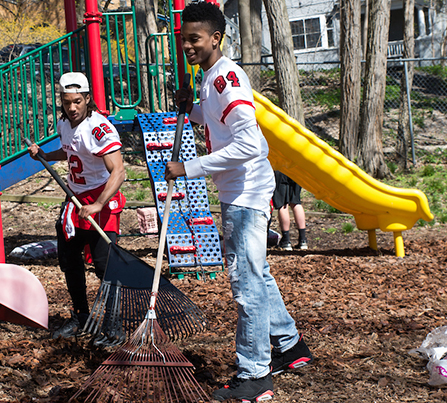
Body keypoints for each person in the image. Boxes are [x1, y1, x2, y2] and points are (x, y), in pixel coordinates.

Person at [165, 2, 313, 401]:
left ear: (216, 38)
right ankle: (290, 346)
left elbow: (251, 143)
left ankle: (254, 376)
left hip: (246, 196)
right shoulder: (210, 78)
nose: (187, 46)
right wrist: (191, 110)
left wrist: (189, 168)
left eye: (194, 39)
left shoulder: (226, 79)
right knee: (258, 275)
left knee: (245, 285)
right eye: (183, 39)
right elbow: (219, 123)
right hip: (238, 191)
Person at [28, 72, 127, 347]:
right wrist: (45, 156)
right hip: (74, 199)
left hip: (101, 199)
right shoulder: (64, 123)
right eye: (66, 102)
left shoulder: (100, 129)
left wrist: (98, 204)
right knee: (69, 260)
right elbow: (70, 150)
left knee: (105, 265)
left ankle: (114, 325)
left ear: (87, 99)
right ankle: (82, 316)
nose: (72, 108)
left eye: (77, 102)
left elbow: (118, 172)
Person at [273, 171, 308, 250]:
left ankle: (286, 241)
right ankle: (303, 240)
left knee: (282, 204)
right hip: (296, 168)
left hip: (280, 168)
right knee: (296, 202)